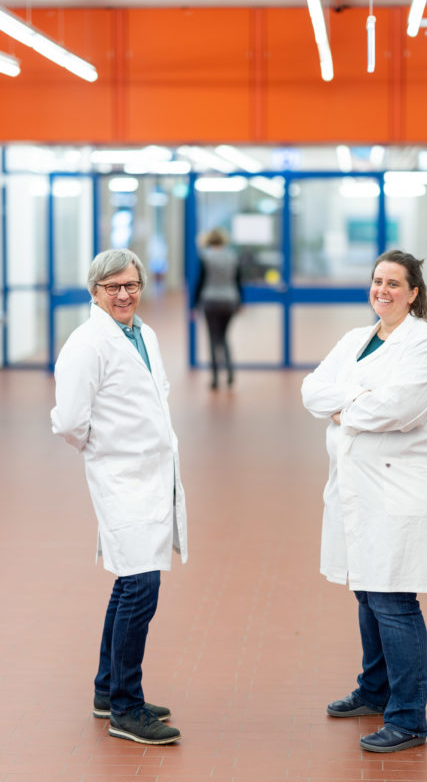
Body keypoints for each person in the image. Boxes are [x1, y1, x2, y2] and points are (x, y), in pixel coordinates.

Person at [301, 250, 427, 754]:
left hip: (400, 490)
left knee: (394, 600)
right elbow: (311, 391)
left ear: (413, 292)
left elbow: (401, 409)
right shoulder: (356, 340)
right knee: (366, 591)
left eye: (394, 283)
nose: (382, 290)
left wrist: (347, 405)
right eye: (376, 281)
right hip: (357, 488)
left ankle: (409, 717)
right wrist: (359, 397)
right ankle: (374, 690)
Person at [51, 249, 187, 746]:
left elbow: (157, 392)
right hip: (120, 477)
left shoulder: (143, 334)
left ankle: (108, 690)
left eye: (131, 285)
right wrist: (105, 449)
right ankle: (126, 709)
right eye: (113, 288)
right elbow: (68, 421)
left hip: (150, 474)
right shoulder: (87, 344)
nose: (125, 294)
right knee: (140, 585)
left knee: (130, 580)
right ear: (95, 291)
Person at [193, 227, 242, 389]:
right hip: (229, 300)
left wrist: (194, 305)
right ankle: (230, 373)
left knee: (213, 338)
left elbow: (200, 281)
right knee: (224, 337)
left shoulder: (205, 257)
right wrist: (240, 302)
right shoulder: (232, 256)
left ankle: (215, 378)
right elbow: (238, 280)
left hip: (211, 300)